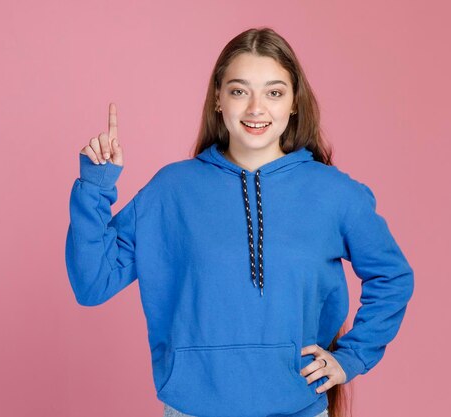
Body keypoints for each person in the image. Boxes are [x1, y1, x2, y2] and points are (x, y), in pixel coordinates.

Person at [65, 27, 414, 417]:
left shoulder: (334, 193)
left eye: (274, 92)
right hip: (191, 408)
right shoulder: (171, 190)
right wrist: (96, 185)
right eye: (239, 90)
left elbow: (392, 275)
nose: (255, 109)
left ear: (294, 102)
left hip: (298, 407)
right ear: (218, 98)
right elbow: (93, 283)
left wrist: (351, 357)